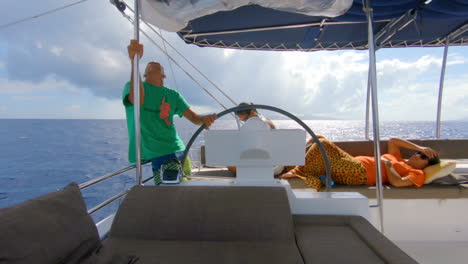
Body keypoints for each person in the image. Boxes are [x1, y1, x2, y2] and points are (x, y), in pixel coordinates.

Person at [123, 40, 217, 185]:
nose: (153, 61)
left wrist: (205, 118)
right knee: (167, 194)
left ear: (163, 76)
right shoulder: (133, 86)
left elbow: (194, 118)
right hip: (159, 154)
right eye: (150, 65)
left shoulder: (173, 95)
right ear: (145, 75)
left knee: (185, 188)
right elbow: (138, 100)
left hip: (180, 150)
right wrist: (134, 61)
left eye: (158, 65)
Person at [280, 136, 440, 190]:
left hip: (359, 174)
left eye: (424, 157)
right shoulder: (398, 158)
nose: (418, 155)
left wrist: (388, 166)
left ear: (427, 166)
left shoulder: (418, 174)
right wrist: (420, 146)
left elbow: (398, 183)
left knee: (323, 145)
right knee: (318, 139)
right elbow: (393, 141)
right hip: (350, 164)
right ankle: (283, 167)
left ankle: (298, 172)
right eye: (419, 153)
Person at [228, 102, 277, 175]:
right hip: (272, 165)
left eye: (242, 113)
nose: (240, 116)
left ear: (252, 112)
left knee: (229, 163)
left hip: (258, 165)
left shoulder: (251, 125)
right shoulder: (268, 122)